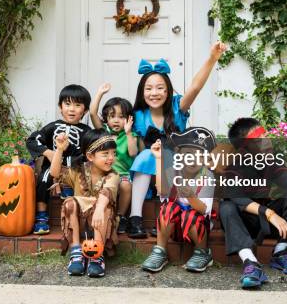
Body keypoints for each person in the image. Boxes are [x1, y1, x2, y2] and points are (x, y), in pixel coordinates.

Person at [127, 42, 227, 238]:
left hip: (176, 165)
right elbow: (137, 150)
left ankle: (169, 214)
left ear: (168, 90)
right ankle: (135, 218)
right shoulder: (138, 114)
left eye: (159, 88)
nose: (154, 93)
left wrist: (212, 58)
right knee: (146, 154)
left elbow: (196, 87)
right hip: (150, 166)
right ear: (142, 91)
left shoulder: (177, 106)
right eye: (148, 88)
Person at [219, 117, 287, 289]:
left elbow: (286, 179)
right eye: (258, 140)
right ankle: (250, 262)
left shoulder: (269, 161)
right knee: (226, 207)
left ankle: (280, 251)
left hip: (265, 222)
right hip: (244, 224)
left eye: (265, 136)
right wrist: (270, 214)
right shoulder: (234, 167)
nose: (266, 142)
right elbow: (237, 198)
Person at [141, 127, 216, 273]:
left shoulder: (207, 176)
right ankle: (160, 251)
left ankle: (202, 252)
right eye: (188, 154)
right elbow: (162, 191)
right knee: (168, 208)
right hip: (175, 228)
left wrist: (189, 195)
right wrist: (158, 159)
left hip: (197, 226)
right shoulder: (173, 172)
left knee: (191, 215)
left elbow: (203, 209)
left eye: (199, 155)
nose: (193, 159)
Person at [50, 129, 120, 277]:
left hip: (101, 223)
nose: (111, 158)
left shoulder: (113, 175)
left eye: (113, 153)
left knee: (104, 206)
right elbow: (55, 173)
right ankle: (76, 251)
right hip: (79, 224)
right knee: (70, 203)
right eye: (105, 154)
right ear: (90, 156)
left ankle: (97, 255)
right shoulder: (78, 170)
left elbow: (106, 192)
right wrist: (59, 150)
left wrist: (99, 208)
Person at [26, 84, 91, 235]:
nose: (71, 109)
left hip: (74, 170)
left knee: (81, 178)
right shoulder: (52, 127)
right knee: (43, 179)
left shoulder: (86, 132)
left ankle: (78, 218)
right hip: (51, 167)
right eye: (67, 104)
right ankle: (42, 217)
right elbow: (32, 140)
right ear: (60, 107)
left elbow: (89, 152)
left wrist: (70, 162)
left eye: (77, 105)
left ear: (85, 110)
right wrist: (48, 152)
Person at [89, 84, 139, 234]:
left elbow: (133, 153)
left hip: (122, 175)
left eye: (121, 116)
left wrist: (129, 133)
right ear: (106, 119)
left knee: (126, 186)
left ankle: (121, 217)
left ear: (129, 119)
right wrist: (100, 93)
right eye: (112, 116)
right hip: (104, 174)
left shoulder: (132, 135)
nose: (116, 120)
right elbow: (92, 113)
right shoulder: (104, 133)